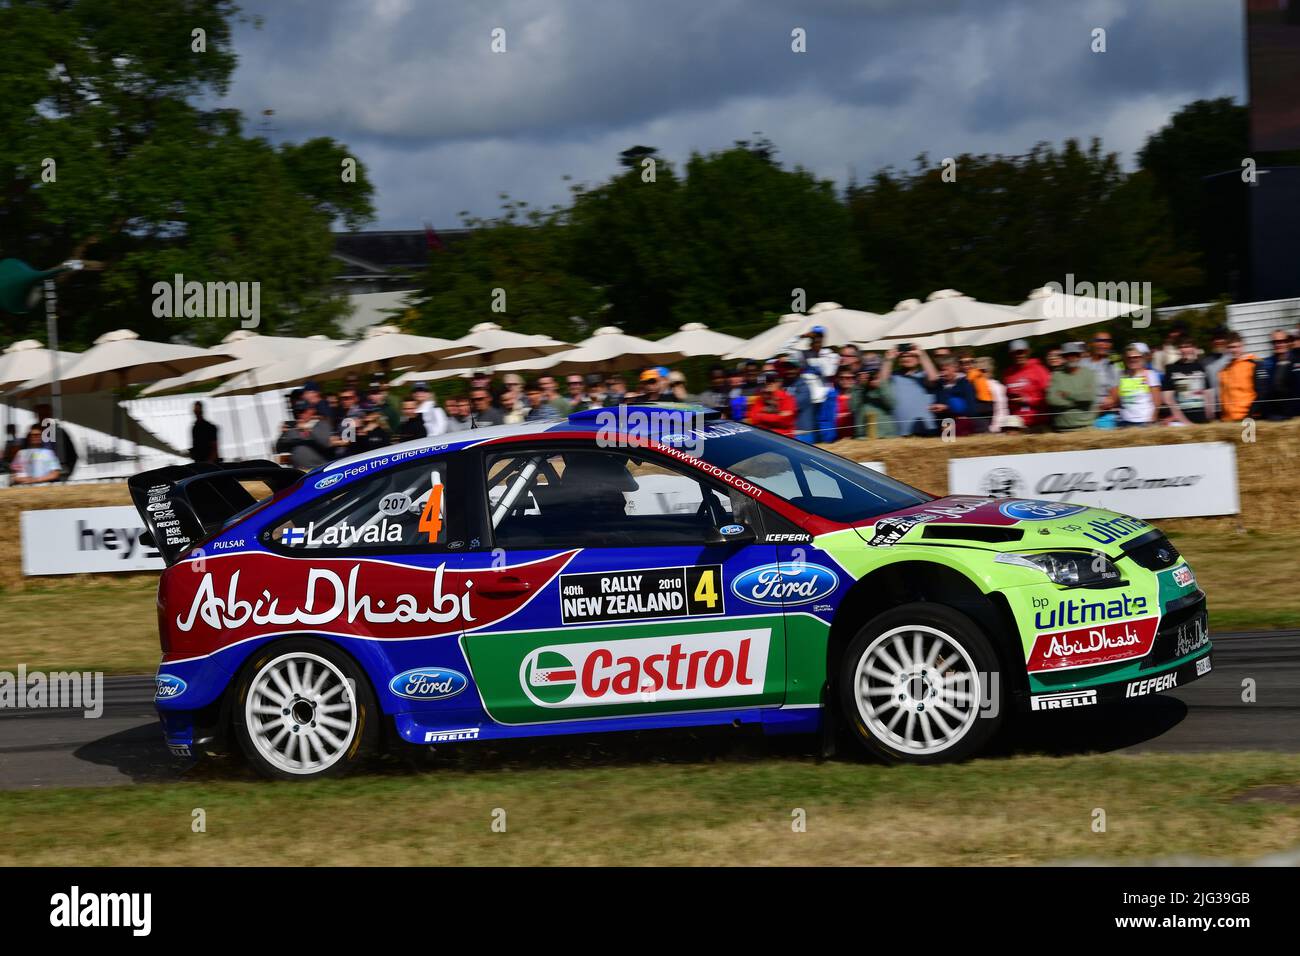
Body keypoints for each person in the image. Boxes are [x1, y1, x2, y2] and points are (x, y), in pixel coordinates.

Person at [1046, 342, 1097, 431]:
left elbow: (1089, 397)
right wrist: (1078, 403)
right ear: (1063, 357)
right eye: (1068, 355)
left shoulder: (1089, 374)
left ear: (1080, 356)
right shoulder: (1056, 375)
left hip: (1086, 428)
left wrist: (1067, 395)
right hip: (1062, 428)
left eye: (1075, 355)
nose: (1072, 358)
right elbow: (1052, 399)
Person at [1002, 340, 1051, 430]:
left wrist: (1026, 399)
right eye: (1015, 353)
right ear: (1011, 354)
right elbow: (1006, 398)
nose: (1019, 355)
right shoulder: (1008, 373)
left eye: (1021, 352)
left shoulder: (1039, 370)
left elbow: (1049, 395)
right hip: (1016, 424)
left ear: (1028, 352)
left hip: (1038, 422)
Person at [890, 344, 939, 436]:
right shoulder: (893, 376)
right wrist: (889, 359)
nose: (906, 358)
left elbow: (934, 378)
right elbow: (881, 383)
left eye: (911, 356)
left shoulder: (924, 375)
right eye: (903, 356)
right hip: (901, 432)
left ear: (918, 360)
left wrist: (922, 354)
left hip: (927, 428)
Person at [1161, 338, 1211, 425]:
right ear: (1178, 350)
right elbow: (1168, 399)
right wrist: (1185, 422)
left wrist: (1209, 416)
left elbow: (1207, 395)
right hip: (1181, 422)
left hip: (1202, 420)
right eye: (1181, 347)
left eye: (1187, 346)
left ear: (1194, 348)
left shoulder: (1201, 367)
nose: (1184, 350)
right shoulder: (1171, 368)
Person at [1253, 329, 1299, 420]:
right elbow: (1262, 391)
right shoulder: (1266, 364)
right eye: (1275, 342)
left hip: (1294, 416)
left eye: (1282, 341)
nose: (1279, 344)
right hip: (1273, 416)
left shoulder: (1296, 362)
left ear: (1287, 342)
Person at [1110, 345, 1162, 426]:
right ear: (1125, 359)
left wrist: (1152, 420)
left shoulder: (1150, 374)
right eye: (1129, 357)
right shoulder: (1121, 375)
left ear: (1142, 358)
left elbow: (1157, 402)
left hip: (1145, 422)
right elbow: (1117, 400)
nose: (1132, 359)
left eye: (1136, 357)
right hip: (1125, 421)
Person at [276, 402, 334, 469]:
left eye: (302, 411)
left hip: (320, 468)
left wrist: (309, 429)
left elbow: (326, 443)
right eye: (296, 412)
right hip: (299, 470)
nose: (299, 415)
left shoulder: (321, 424)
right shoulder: (292, 427)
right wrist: (282, 436)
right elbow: (279, 449)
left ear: (311, 411)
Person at [1081, 331, 1121, 426]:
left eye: (1107, 341)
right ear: (1092, 343)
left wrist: (1109, 402)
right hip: (1081, 415)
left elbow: (1114, 397)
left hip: (1104, 417)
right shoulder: (1081, 364)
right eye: (1099, 340)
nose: (1103, 344)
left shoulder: (1113, 366)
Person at [930, 355, 977, 434]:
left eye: (945, 370)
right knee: (947, 443)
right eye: (940, 370)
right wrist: (934, 407)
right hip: (944, 426)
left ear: (954, 368)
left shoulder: (965, 384)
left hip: (962, 428)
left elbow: (972, 410)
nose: (942, 373)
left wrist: (948, 407)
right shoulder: (939, 385)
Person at [1217, 333, 1257, 422]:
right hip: (1227, 420)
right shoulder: (1224, 370)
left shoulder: (1253, 364)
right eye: (1230, 347)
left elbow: (1261, 393)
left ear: (1242, 346)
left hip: (1247, 419)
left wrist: (1250, 416)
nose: (1233, 350)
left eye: (1236, 347)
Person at [746, 371, 797, 437]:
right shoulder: (759, 399)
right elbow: (754, 419)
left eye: (771, 381)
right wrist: (777, 415)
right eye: (764, 382)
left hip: (784, 437)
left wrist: (761, 415)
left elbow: (785, 421)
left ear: (778, 383)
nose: (768, 384)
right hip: (765, 437)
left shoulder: (787, 398)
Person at [958, 351, 994, 432]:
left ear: (974, 363)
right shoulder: (963, 380)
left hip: (983, 411)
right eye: (962, 363)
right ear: (960, 365)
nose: (966, 365)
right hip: (976, 413)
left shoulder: (975, 374)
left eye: (969, 362)